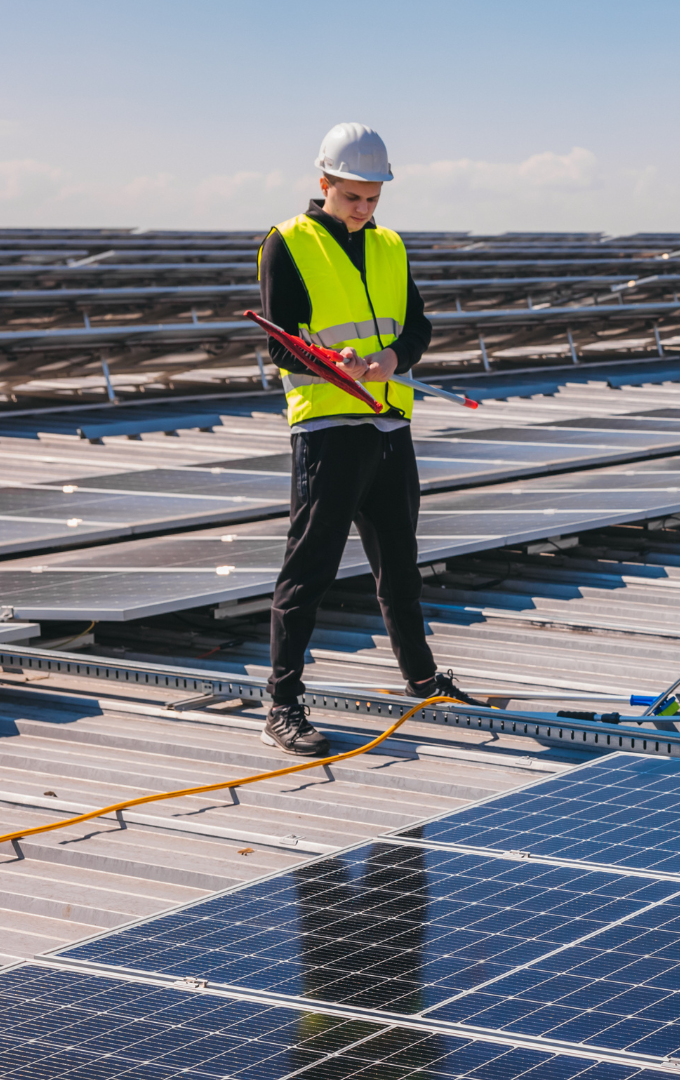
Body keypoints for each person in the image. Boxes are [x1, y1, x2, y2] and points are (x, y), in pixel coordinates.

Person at [256, 122, 484, 757]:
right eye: (353, 196)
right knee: (310, 569)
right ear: (323, 182)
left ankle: (421, 678)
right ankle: (282, 701)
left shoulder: (390, 246)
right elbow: (281, 342)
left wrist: (388, 357)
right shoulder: (287, 244)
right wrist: (335, 362)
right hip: (329, 429)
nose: (364, 208)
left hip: (389, 423)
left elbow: (419, 329)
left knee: (399, 565)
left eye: (374, 198)